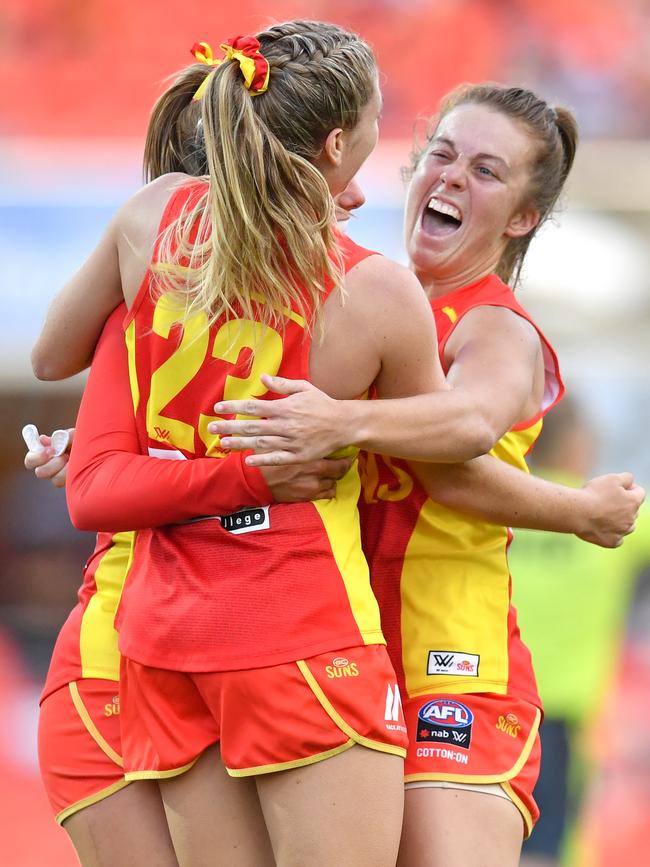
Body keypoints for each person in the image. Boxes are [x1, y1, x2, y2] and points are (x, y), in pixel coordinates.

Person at [32, 21, 508, 867]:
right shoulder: (371, 287)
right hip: (300, 628)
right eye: (376, 117)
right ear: (337, 144)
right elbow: (454, 457)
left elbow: (53, 356)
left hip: (162, 638)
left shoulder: (151, 215)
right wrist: (579, 508)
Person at [205, 83, 645, 867]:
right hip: (329, 659)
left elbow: (466, 435)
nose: (449, 177)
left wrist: (340, 422)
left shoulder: (496, 326)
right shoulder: (360, 302)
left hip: (454, 663)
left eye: (484, 170)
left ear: (520, 219)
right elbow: (238, 410)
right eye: (440, 155)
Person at [26, 56, 358, 867]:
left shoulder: (278, 295)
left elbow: (60, 385)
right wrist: (254, 475)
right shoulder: (153, 298)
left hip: (190, 652)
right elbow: (99, 483)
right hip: (128, 652)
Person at [508, 397, 650, 867]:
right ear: (576, 443)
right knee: (547, 846)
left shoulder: (492, 505)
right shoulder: (615, 517)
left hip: (486, 698)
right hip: (563, 717)